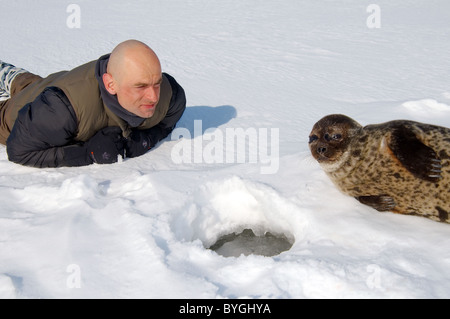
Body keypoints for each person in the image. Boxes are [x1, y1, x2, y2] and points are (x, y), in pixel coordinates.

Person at [0, 39, 186, 168]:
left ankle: (13, 77)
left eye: (157, 83)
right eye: (141, 86)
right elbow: (19, 151)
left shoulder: (171, 97)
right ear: (110, 84)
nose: (153, 97)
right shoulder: (60, 112)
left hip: (49, 87)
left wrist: (145, 140)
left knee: (33, 85)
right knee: (25, 97)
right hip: (11, 113)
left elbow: (166, 123)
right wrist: (88, 153)